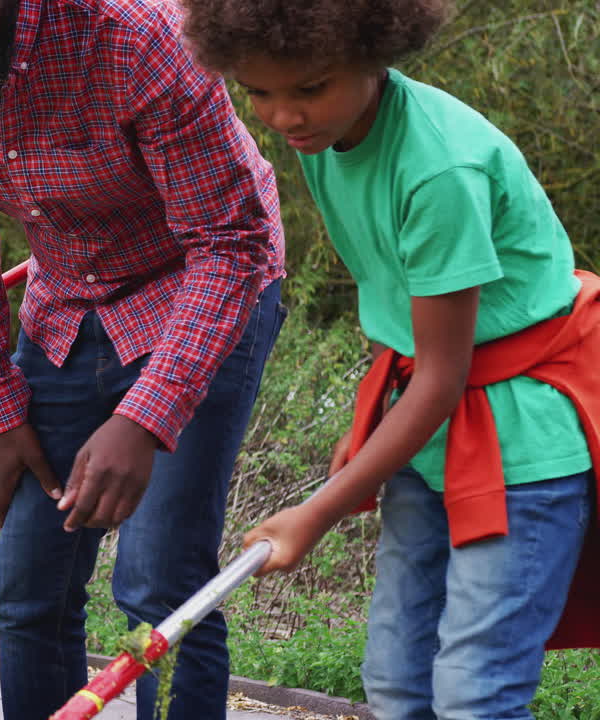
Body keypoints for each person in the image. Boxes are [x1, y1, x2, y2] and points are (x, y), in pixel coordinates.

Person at [0, 0, 286, 717]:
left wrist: (146, 416)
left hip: (201, 281)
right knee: (30, 589)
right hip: (67, 302)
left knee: (159, 581)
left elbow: (230, 241)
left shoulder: (139, 34)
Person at [177, 1, 599, 717]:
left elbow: (441, 377)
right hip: (430, 431)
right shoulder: (328, 139)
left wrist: (314, 513)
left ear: (375, 50)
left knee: (475, 693)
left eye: (308, 88)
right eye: (261, 93)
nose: (284, 116)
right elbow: (392, 298)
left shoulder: (439, 169)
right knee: (398, 681)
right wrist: (368, 422)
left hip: (521, 447)